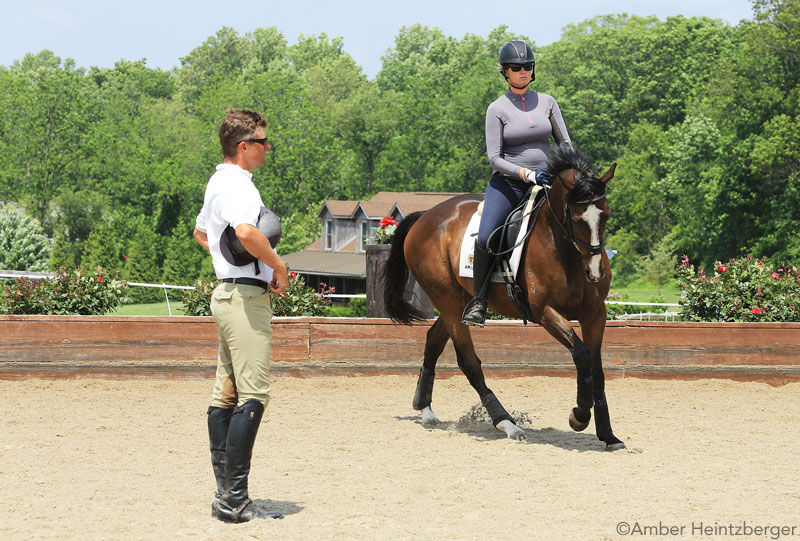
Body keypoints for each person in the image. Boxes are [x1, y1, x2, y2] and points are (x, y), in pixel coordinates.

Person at [193, 109, 289, 522]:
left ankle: (224, 496)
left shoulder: (219, 182)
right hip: (244, 300)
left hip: (228, 293)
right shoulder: (237, 185)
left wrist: (226, 259)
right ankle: (234, 501)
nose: (269, 148)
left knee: (226, 394)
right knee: (254, 395)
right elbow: (248, 233)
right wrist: (277, 266)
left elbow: (201, 233)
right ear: (243, 146)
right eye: (263, 141)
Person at [461, 40, 572, 327]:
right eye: (516, 67)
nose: (522, 71)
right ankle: (479, 301)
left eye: (527, 66)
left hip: (548, 183)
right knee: (486, 237)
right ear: (505, 72)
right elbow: (494, 158)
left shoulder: (547, 102)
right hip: (510, 185)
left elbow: (565, 143)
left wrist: (574, 172)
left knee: (583, 218)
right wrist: (527, 174)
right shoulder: (496, 108)